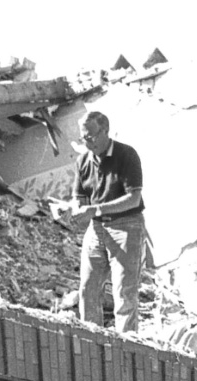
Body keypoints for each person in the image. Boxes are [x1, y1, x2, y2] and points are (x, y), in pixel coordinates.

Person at [69, 111, 146, 333]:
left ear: (105, 131)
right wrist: (75, 209)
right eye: (83, 137)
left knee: (124, 290)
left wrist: (96, 209)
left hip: (126, 226)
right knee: (88, 288)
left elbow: (134, 198)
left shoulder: (126, 155)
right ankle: (91, 339)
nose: (87, 142)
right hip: (97, 227)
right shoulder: (83, 160)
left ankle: (127, 344)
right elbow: (79, 197)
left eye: (91, 136)